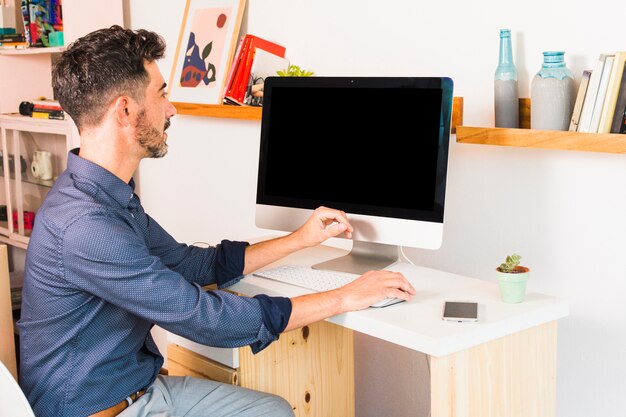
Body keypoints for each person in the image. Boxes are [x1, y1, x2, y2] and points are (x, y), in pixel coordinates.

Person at [17, 25, 415, 417]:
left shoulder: (105, 195)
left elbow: (192, 266)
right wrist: (345, 296)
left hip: (141, 389)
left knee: (271, 410)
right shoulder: (86, 225)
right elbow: (205, 318)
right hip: (103, 409)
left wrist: (299, 239)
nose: (170, 108)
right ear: (125, 110)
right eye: (162, 94)